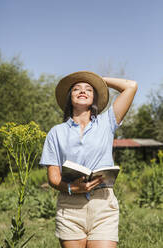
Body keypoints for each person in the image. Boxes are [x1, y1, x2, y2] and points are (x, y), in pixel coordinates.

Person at [40, 71, 138, 248]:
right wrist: (72, 187)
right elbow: (53, 178)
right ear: (70, 98)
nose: (82, 91)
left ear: (94, 98)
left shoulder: (107, 122)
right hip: (69, 206)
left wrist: (100, 81)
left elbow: (131, 86)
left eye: (89, 89)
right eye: (76, 89)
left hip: (103, 204)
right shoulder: (56, 132)